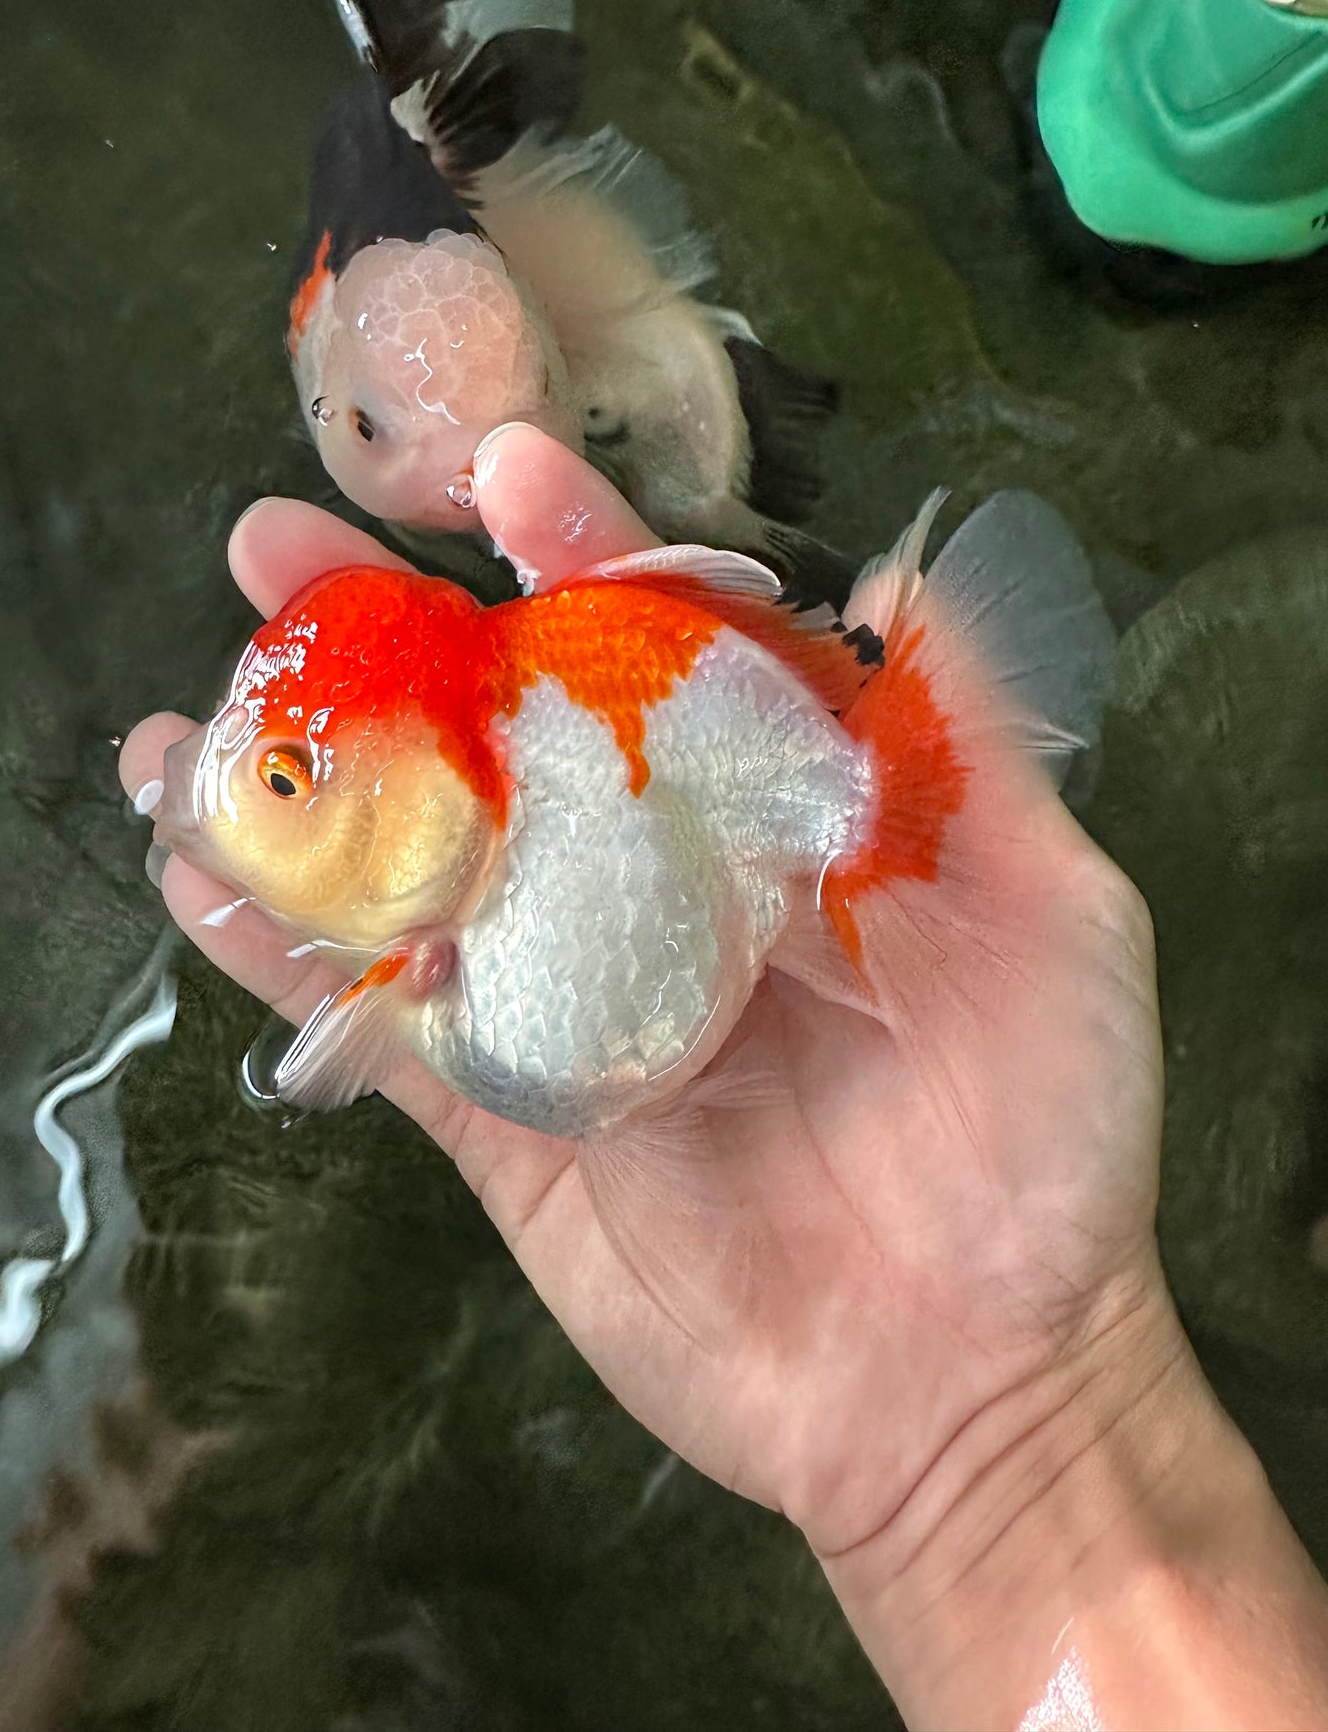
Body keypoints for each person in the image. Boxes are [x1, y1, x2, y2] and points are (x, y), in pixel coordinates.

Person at [121, 424, 1328, 1730]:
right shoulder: (425, 922)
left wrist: (1019, 1417)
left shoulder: (523, 783)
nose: (241, 796)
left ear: (447, 777)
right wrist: (1013, 1441)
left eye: (289, 775)